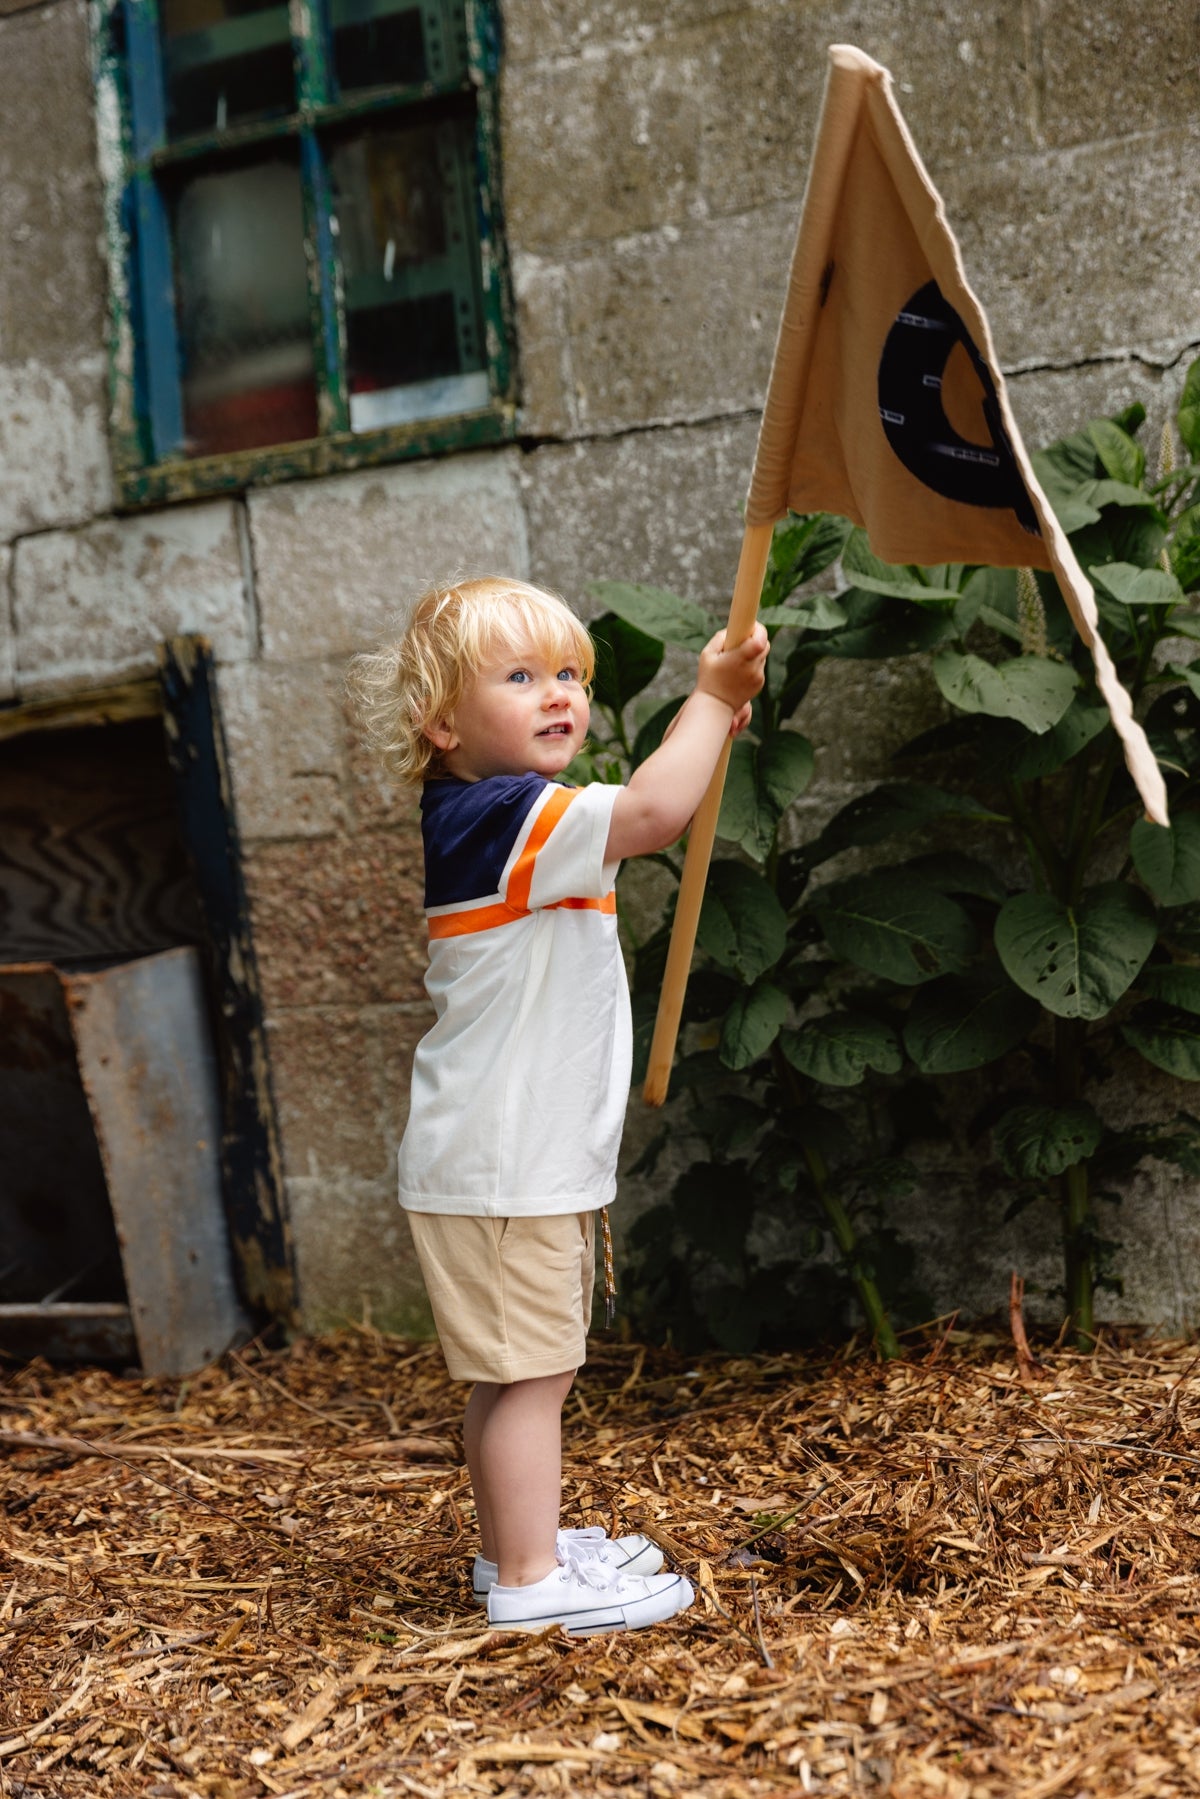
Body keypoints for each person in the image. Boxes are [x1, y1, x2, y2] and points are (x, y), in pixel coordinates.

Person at [348, 575, 768, 1635]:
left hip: (505, 1157)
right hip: (504, 1161)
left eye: (572, 674)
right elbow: (659, 811)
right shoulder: (504, 815)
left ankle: (513, 1553)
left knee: (518, 1370)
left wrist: (707, 723)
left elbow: (647, 805)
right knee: (535, 1371)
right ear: (442, 722)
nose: (562, 693)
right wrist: (710, 699)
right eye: (522, 675)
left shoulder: (505, 817)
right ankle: (534, 1585)